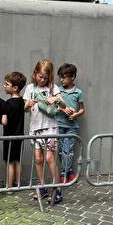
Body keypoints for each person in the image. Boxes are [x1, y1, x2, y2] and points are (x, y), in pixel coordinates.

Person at [23, 59, 65, 204]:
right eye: (40, 76)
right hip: (35, 129)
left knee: (49, 158)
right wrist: (28, 104)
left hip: (50, 128)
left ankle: (57, 189)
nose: (42, 80)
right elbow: (25, 109)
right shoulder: (30, 88)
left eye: (45, 78)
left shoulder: (53, 88)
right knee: (38, 159)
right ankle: (42, 188)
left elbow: (63, 104)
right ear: (35, 74)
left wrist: (55, 99)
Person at [56, 63, 85, 184]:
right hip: (58, 125)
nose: (61, 80)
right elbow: (53, 106)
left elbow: (82, 109)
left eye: (63, 77)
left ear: (72, 77)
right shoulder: (58, 91)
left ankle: (63, 174)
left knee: (67, 151)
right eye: (60, 77)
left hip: (71, 127)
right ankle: (70, 171)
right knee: (60, 151)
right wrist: (63, 109)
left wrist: (75, 115)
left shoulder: (78, 92)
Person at [2, 71, 27, 188]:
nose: (4, 86)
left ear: (15, 88)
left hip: (9, 136)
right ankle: (18, 183)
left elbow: (4, 121)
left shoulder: (7, 103)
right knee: (17, 160)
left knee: (10, 162)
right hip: (19, 135)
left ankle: (9, 186)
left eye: (7, 84)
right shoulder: (22, 101)